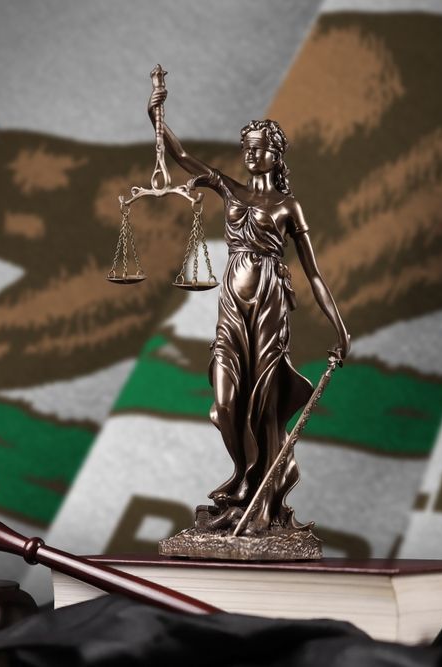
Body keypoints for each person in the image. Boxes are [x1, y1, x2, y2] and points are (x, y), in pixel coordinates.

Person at [149, 87, 350, 535]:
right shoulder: (229, 188)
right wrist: (157, 115)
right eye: (248, 149)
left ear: (277, 155)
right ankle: (244, 483)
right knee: (225, 403)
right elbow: (181, 156)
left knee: (265, 402)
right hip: (233, 304)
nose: (252, 155)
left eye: (261, 149)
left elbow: (314, 273)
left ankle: (264, 501)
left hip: (270, 302)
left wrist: (339, 327)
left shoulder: (286, 206)